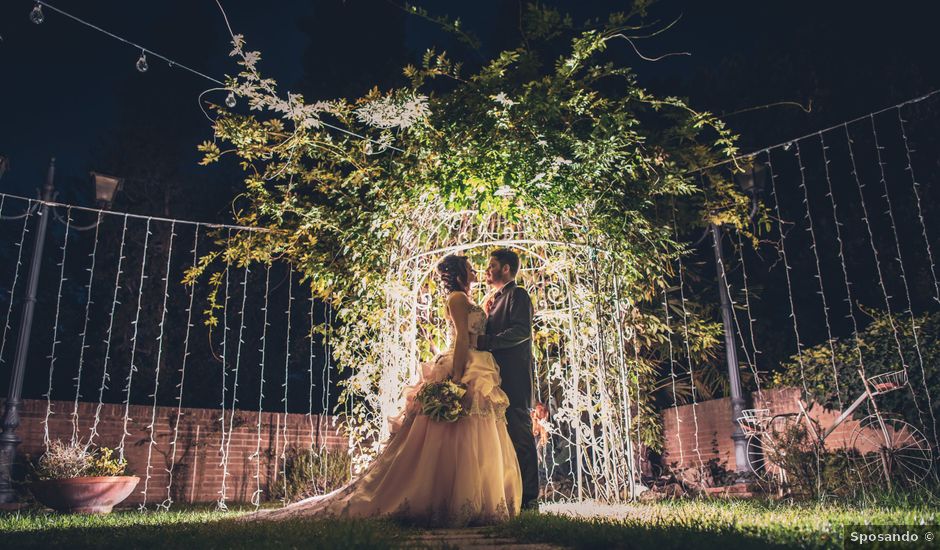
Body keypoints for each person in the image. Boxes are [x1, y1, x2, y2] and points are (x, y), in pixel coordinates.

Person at [242, 255, 521, 526]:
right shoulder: (458, 298)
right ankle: (448, 496)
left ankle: (471, 496)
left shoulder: (470, 299)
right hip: (464, 363)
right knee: (455, 431)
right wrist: (458, 377)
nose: (478, 272)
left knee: (473, 429)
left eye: (484, 267)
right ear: (460, 274)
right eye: (471, 268)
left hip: (478, 363)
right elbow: (461, 337)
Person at [476, 249, 539, 510]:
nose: (487, 271)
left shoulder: (518, 295)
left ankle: (529, 499)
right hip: (495, 379)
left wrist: (489, 342)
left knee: (521, 435)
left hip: (513, 377)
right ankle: (508, 494)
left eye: (492, 266)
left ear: (505, 269)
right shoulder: (494, 300)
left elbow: (522, 331)